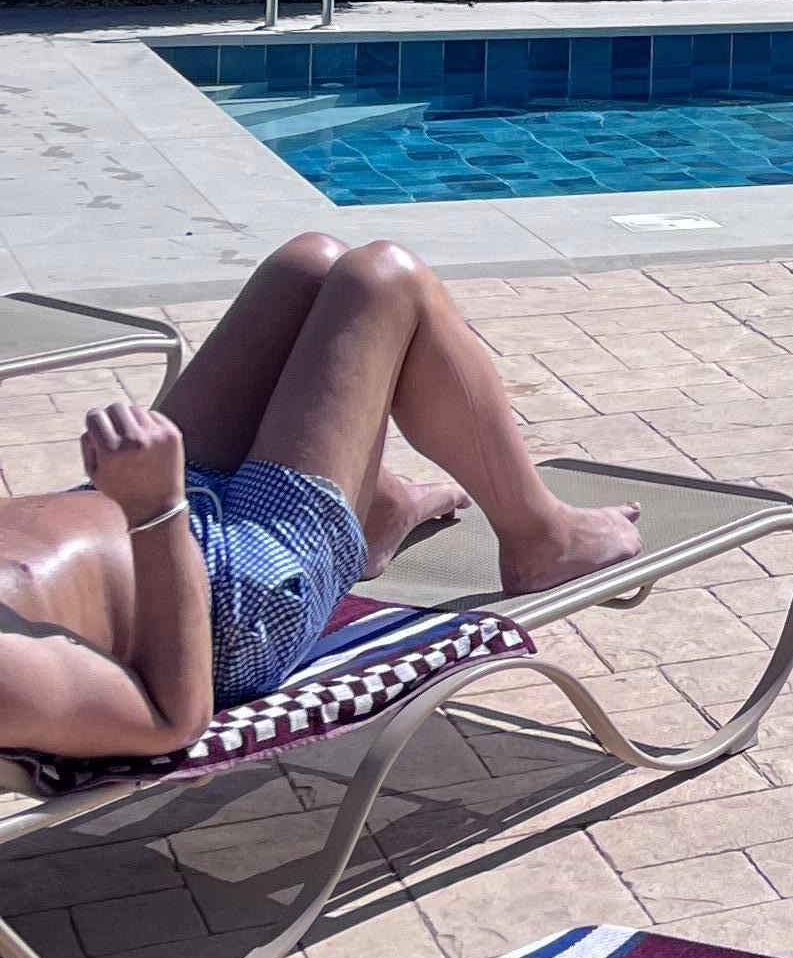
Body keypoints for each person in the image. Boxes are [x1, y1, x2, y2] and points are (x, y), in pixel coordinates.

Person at [0, 236, 639, 759]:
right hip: (230, 593)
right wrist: (155, 509)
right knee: (385, 278)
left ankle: (378, 510)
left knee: (308, 265)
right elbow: (171, 720)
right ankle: (541, 536)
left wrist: (148, 498)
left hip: (146, 506)